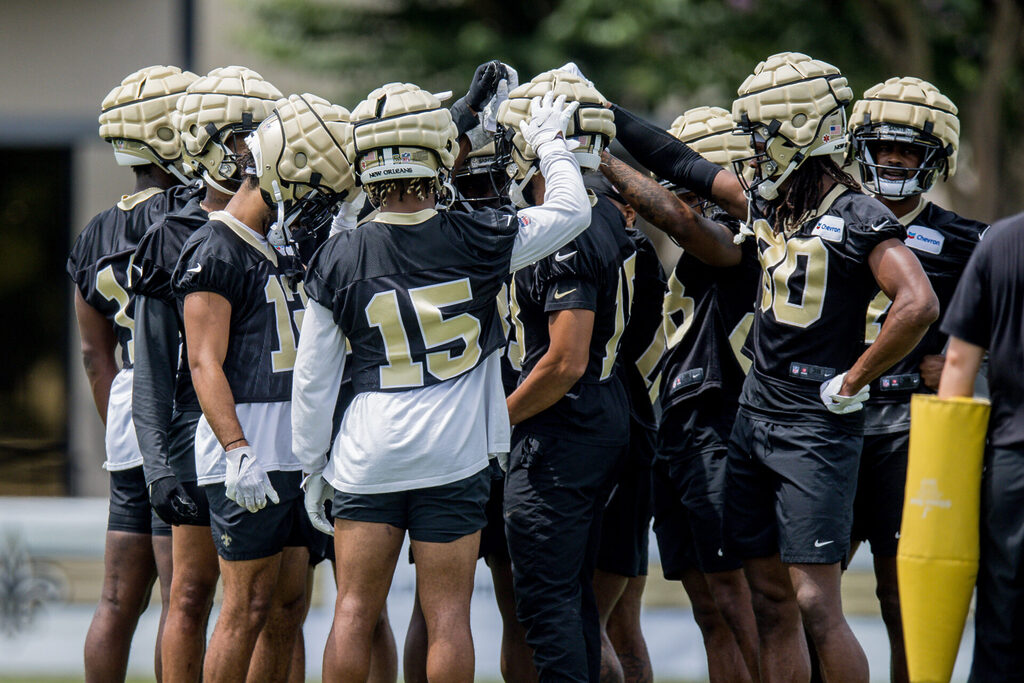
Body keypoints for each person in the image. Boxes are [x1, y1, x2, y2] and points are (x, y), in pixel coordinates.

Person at [611, 52, 940, 682]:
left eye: (761, 134)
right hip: (754, 417)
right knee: (768, 601)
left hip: (814, 425)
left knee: (817, 604)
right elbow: (682, 165)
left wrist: (854, 378)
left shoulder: (858, 215)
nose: (751, 150)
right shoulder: (771, 202)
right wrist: (602, 115)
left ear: (800, 130)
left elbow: (917, 303)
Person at [291, 81, 590, 683]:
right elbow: (573, 211)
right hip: (453, 451)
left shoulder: (340, 253)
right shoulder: (477, 233)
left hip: (367, 451)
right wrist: (552, 144)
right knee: (449, 615)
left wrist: (310, 464)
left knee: (352, 610)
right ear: (439, 150)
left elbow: (314, 379)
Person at [174, 92, 350, 682]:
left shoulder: (284, 243)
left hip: (296, 449)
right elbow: (204, 363)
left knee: (289, 607)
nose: (312, 206)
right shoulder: (214, 246)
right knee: (245, 606)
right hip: (249, 448)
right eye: (310, 189)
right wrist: (236, 450)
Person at [131, 65, 283, 683]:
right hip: (201, 432)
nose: (250, 153)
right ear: (199, 142)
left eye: (259, 137)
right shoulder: (171, 233)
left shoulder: (288, 223)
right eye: (237, 138)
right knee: (192, 595)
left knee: (281, 606)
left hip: (276, 428)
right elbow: (153, 367)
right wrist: (159, 465)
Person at [600, 105, 762, 683]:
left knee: (744, 605)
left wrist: (594, 156)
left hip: (723, 426)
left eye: (687, 183)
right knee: (712, 613)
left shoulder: (747, 230)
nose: (674, 196)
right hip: (682, 429)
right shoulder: (690, 251)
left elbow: (684, 221)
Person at [495, 69, 635, 683]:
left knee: (547, 606)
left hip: (564, 422)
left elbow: (564, 358)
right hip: (597, 414)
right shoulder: (605, 213)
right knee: (571, 596)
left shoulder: (568, 231)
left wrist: (494, 421)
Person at [847, 76, 987, 683]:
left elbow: (1007, 332)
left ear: (937, 158)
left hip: (911, 429)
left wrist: (967, 361)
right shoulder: (819, 223)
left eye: (906, 150)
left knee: (900, 588)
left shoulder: (969, 241)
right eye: (881, 148)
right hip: (827, 426)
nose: (892, 160)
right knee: (800, 588)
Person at [68, 64, 196, 683]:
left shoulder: (97, 230)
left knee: (118, 597)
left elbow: (95, 353)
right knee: (181, 597)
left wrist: (123, 423)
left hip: (126, 407)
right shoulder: (188, 213)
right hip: (180, 406)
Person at [938, 211, 1024, 682]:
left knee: (1002, 624)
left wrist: (949, 479)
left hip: (1012, 463)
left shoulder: (1001, 242)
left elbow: (957, 364)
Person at [584, 172, 660, 683]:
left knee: (589, 621)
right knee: (620, 620)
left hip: (602, 423)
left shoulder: (605, 249)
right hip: (632, 419)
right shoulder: (640, 250)